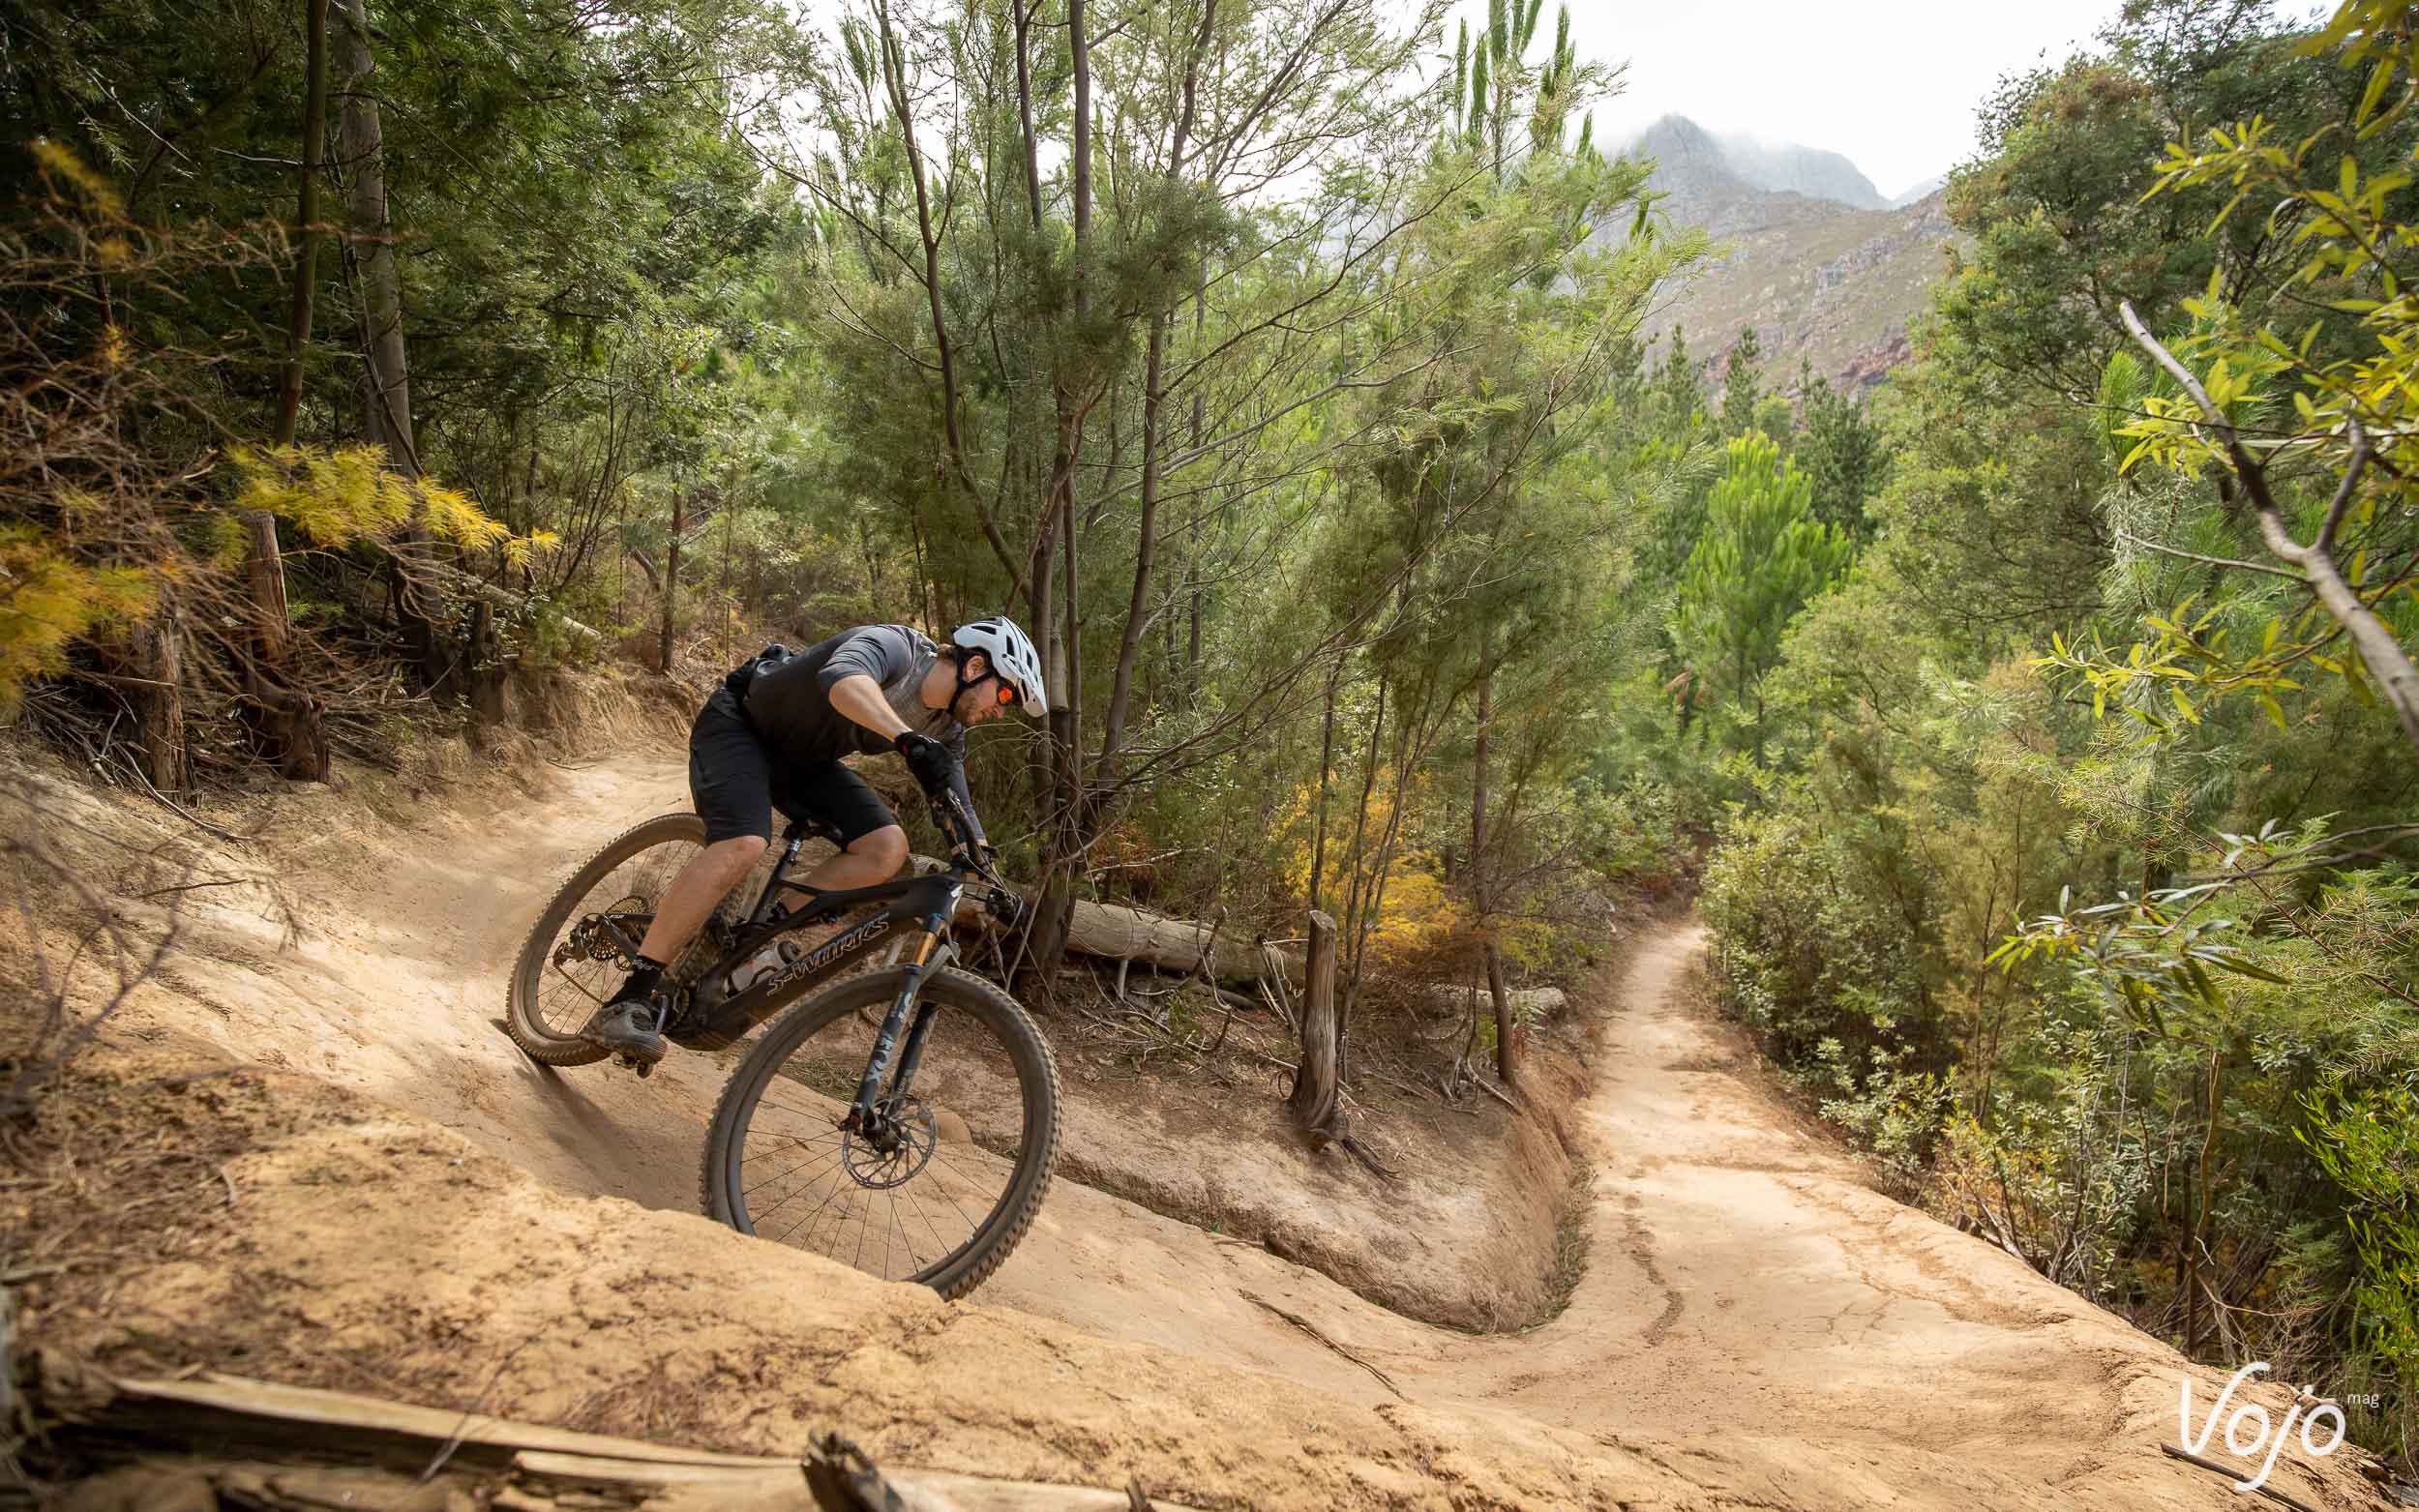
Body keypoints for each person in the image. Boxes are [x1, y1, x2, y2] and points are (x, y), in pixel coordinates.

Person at [579, 616, 1047, 1063]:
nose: (1000, 709)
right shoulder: (898, 648)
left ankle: (753, 934)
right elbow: (843, 679)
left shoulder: (949, 730)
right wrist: (906, 739)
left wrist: (988, 870)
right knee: (745, 843)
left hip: (804, 763)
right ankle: (629, 999)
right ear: (974, 666)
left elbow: (960, 807)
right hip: (740, 724)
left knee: (886, 848)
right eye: (1005, 692)